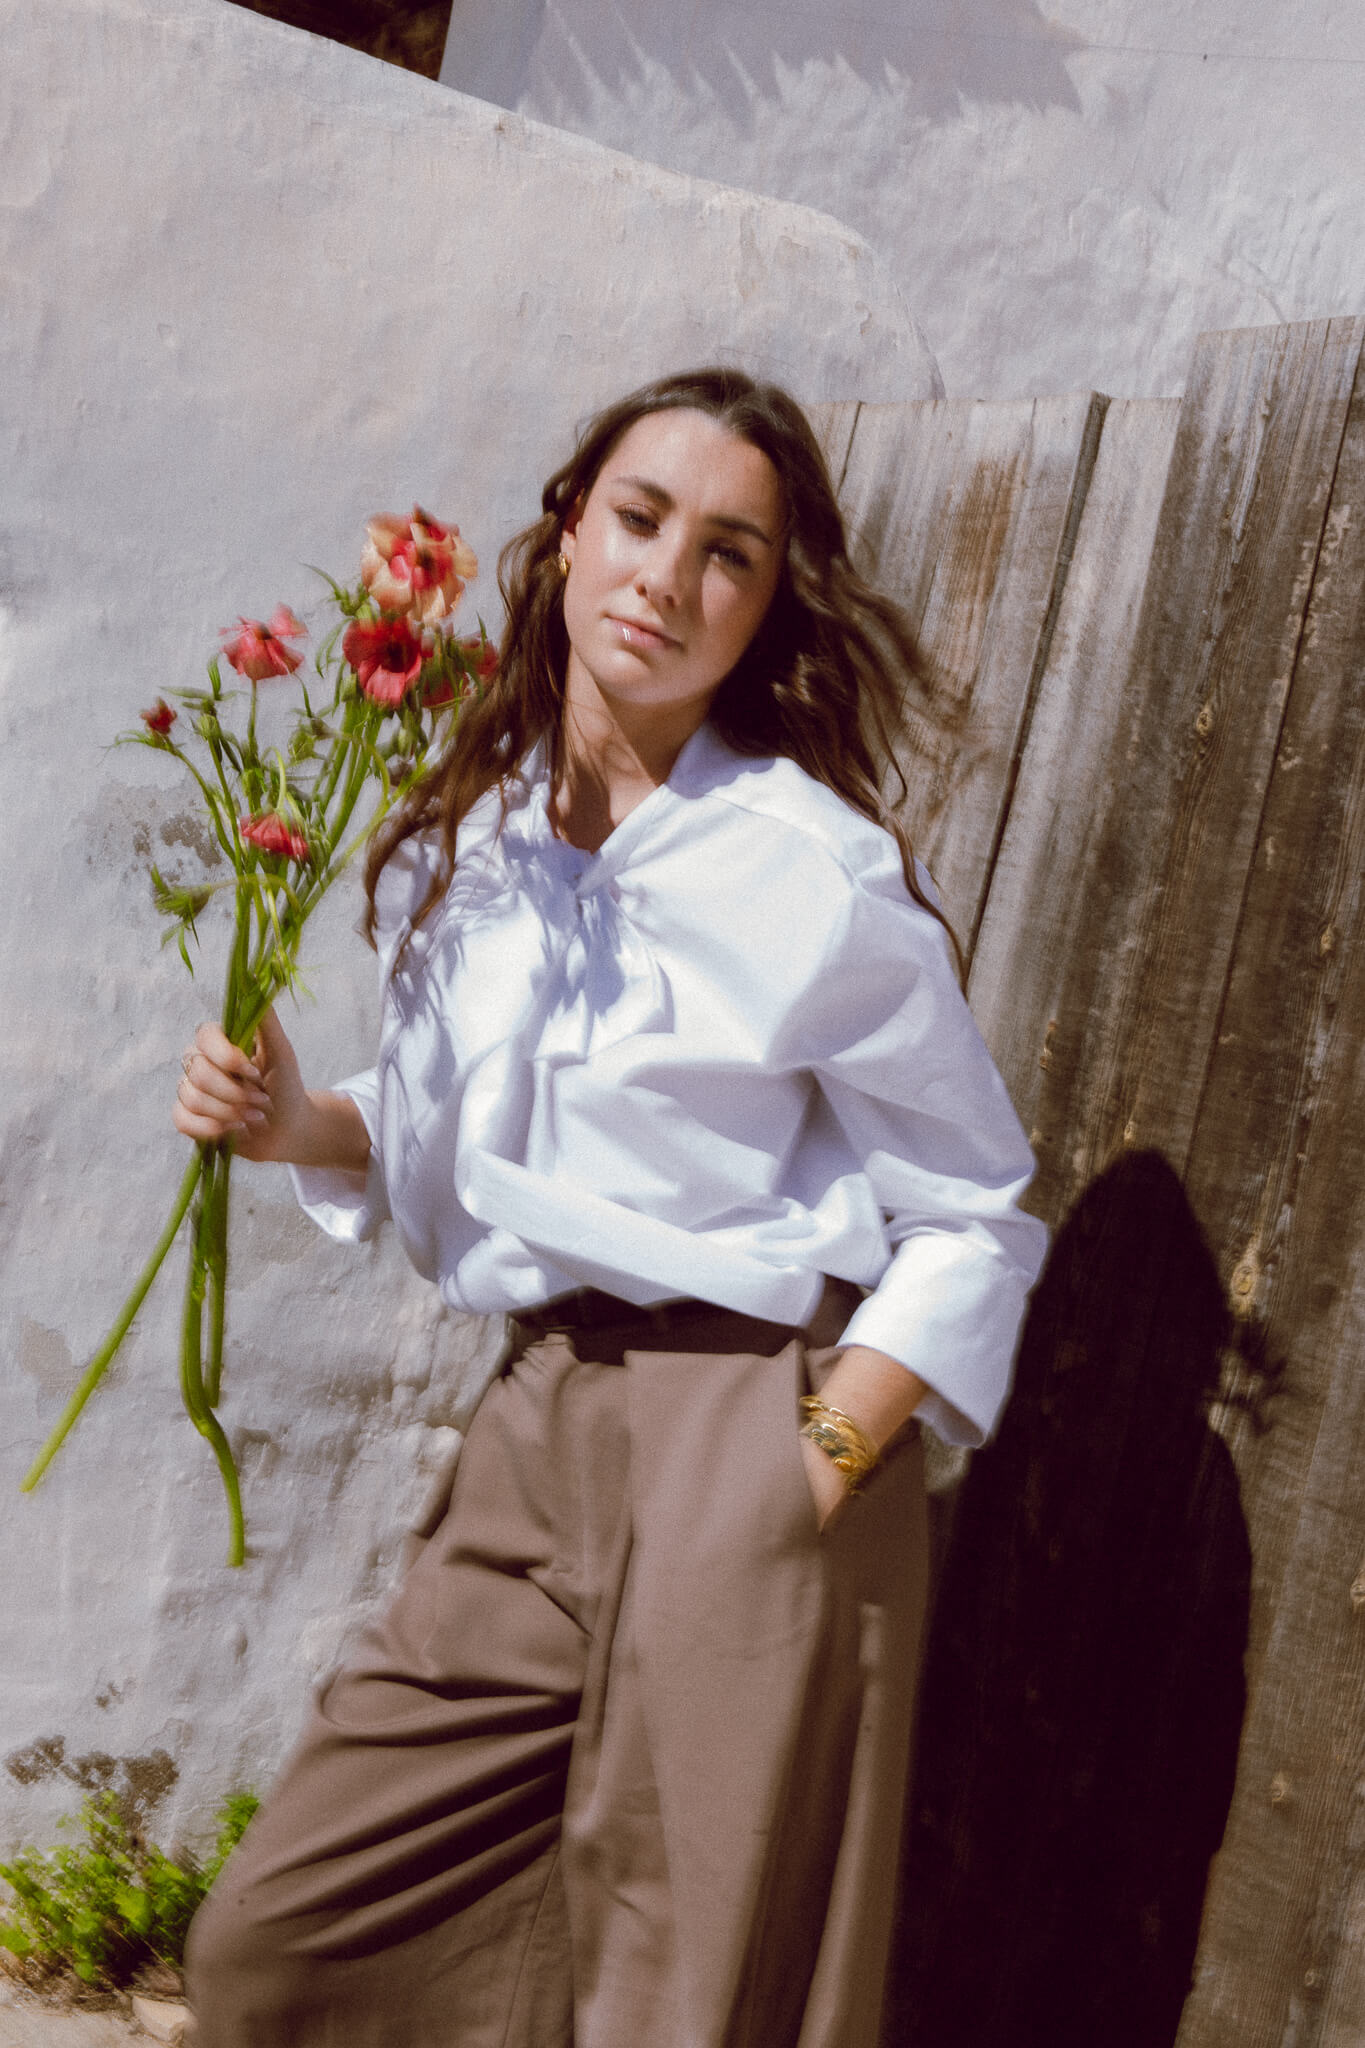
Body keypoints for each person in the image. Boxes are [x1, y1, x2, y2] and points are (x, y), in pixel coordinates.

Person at [176, 367, 1048, 2048]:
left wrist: (818, 1458)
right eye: (641, 520)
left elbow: (972, 1214)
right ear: (570, 530)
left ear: (767, 604)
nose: (667, 577)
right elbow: (462, 1125)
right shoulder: (477, 837)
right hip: (539, 1419)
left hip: (751, 1423)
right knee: (279, 1944)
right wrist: (299, 1124)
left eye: (728, 553)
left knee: (681, 1997)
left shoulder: (805, 868)